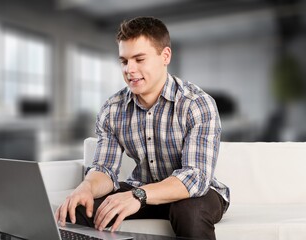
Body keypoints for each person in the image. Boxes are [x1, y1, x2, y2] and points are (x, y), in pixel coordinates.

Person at [55, 16, 230, 240]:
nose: (130, 69)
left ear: (165, 56)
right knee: (78, 210)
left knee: (189, 213)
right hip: (141, 188)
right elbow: (104, 169)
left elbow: (195, 177)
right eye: (124, 61)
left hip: (193, 194)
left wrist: (138, 195)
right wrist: (86, 188)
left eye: (139, 59)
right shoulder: (113, 109)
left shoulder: (196, 103)